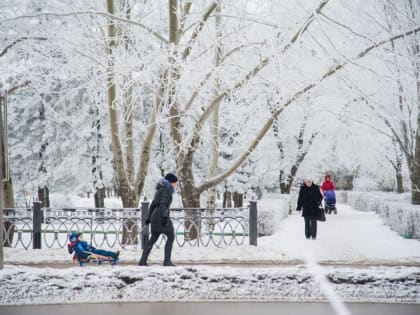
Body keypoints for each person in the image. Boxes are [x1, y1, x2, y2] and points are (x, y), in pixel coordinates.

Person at [138, 173, 178, 266]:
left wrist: (149, 218)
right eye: (175, 183)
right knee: (171, 236)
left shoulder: (159, 190)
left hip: (155, 216)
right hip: (161, 215)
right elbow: (163, 204)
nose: (175, 184)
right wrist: (164, 217)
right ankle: (167, 261)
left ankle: (142, 261)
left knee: (153, 239)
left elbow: (153, 205)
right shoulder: (166, 190)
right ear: (171, 182)